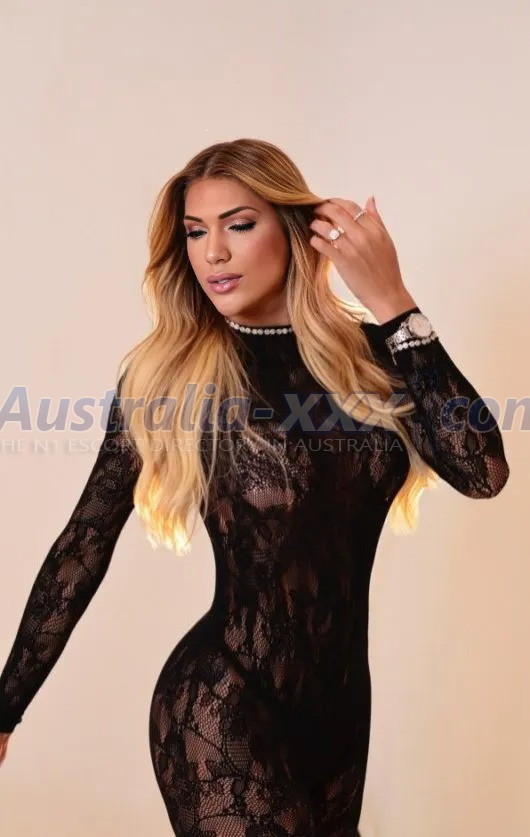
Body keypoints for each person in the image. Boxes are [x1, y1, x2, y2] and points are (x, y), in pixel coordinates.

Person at [0, 138, 509, 835]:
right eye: (195, 232)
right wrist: (6, 706)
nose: (213, 253)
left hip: (341, 719)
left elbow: (482, 472)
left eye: (238, 225)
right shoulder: (172, 376)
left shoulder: (373, 359)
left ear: (294, 229)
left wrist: (393, 302)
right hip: (220, 706)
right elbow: (83, 543)